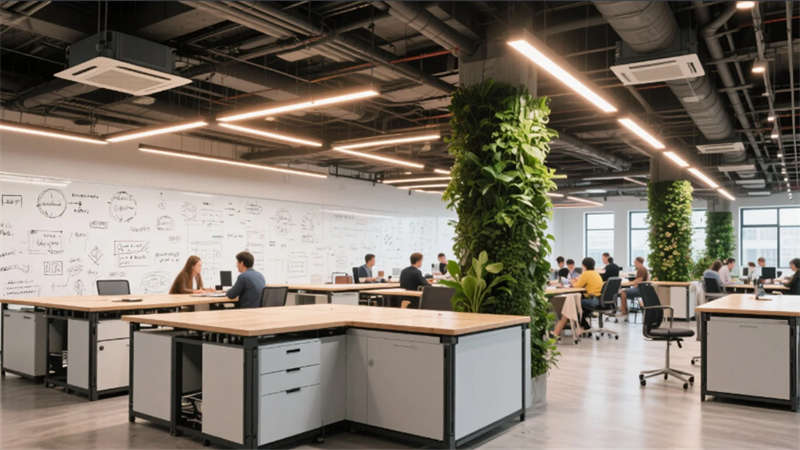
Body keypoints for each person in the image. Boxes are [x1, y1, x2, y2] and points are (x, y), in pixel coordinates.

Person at [572, 257, 604, 330]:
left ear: (584, 266)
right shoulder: (596, 273)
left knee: (573, 303)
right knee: (581, 303)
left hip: (593, 301)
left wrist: (572, 282)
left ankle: (583, 324)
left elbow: (577, 286)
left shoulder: (586, 273)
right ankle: (584, 325)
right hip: (599, 299)